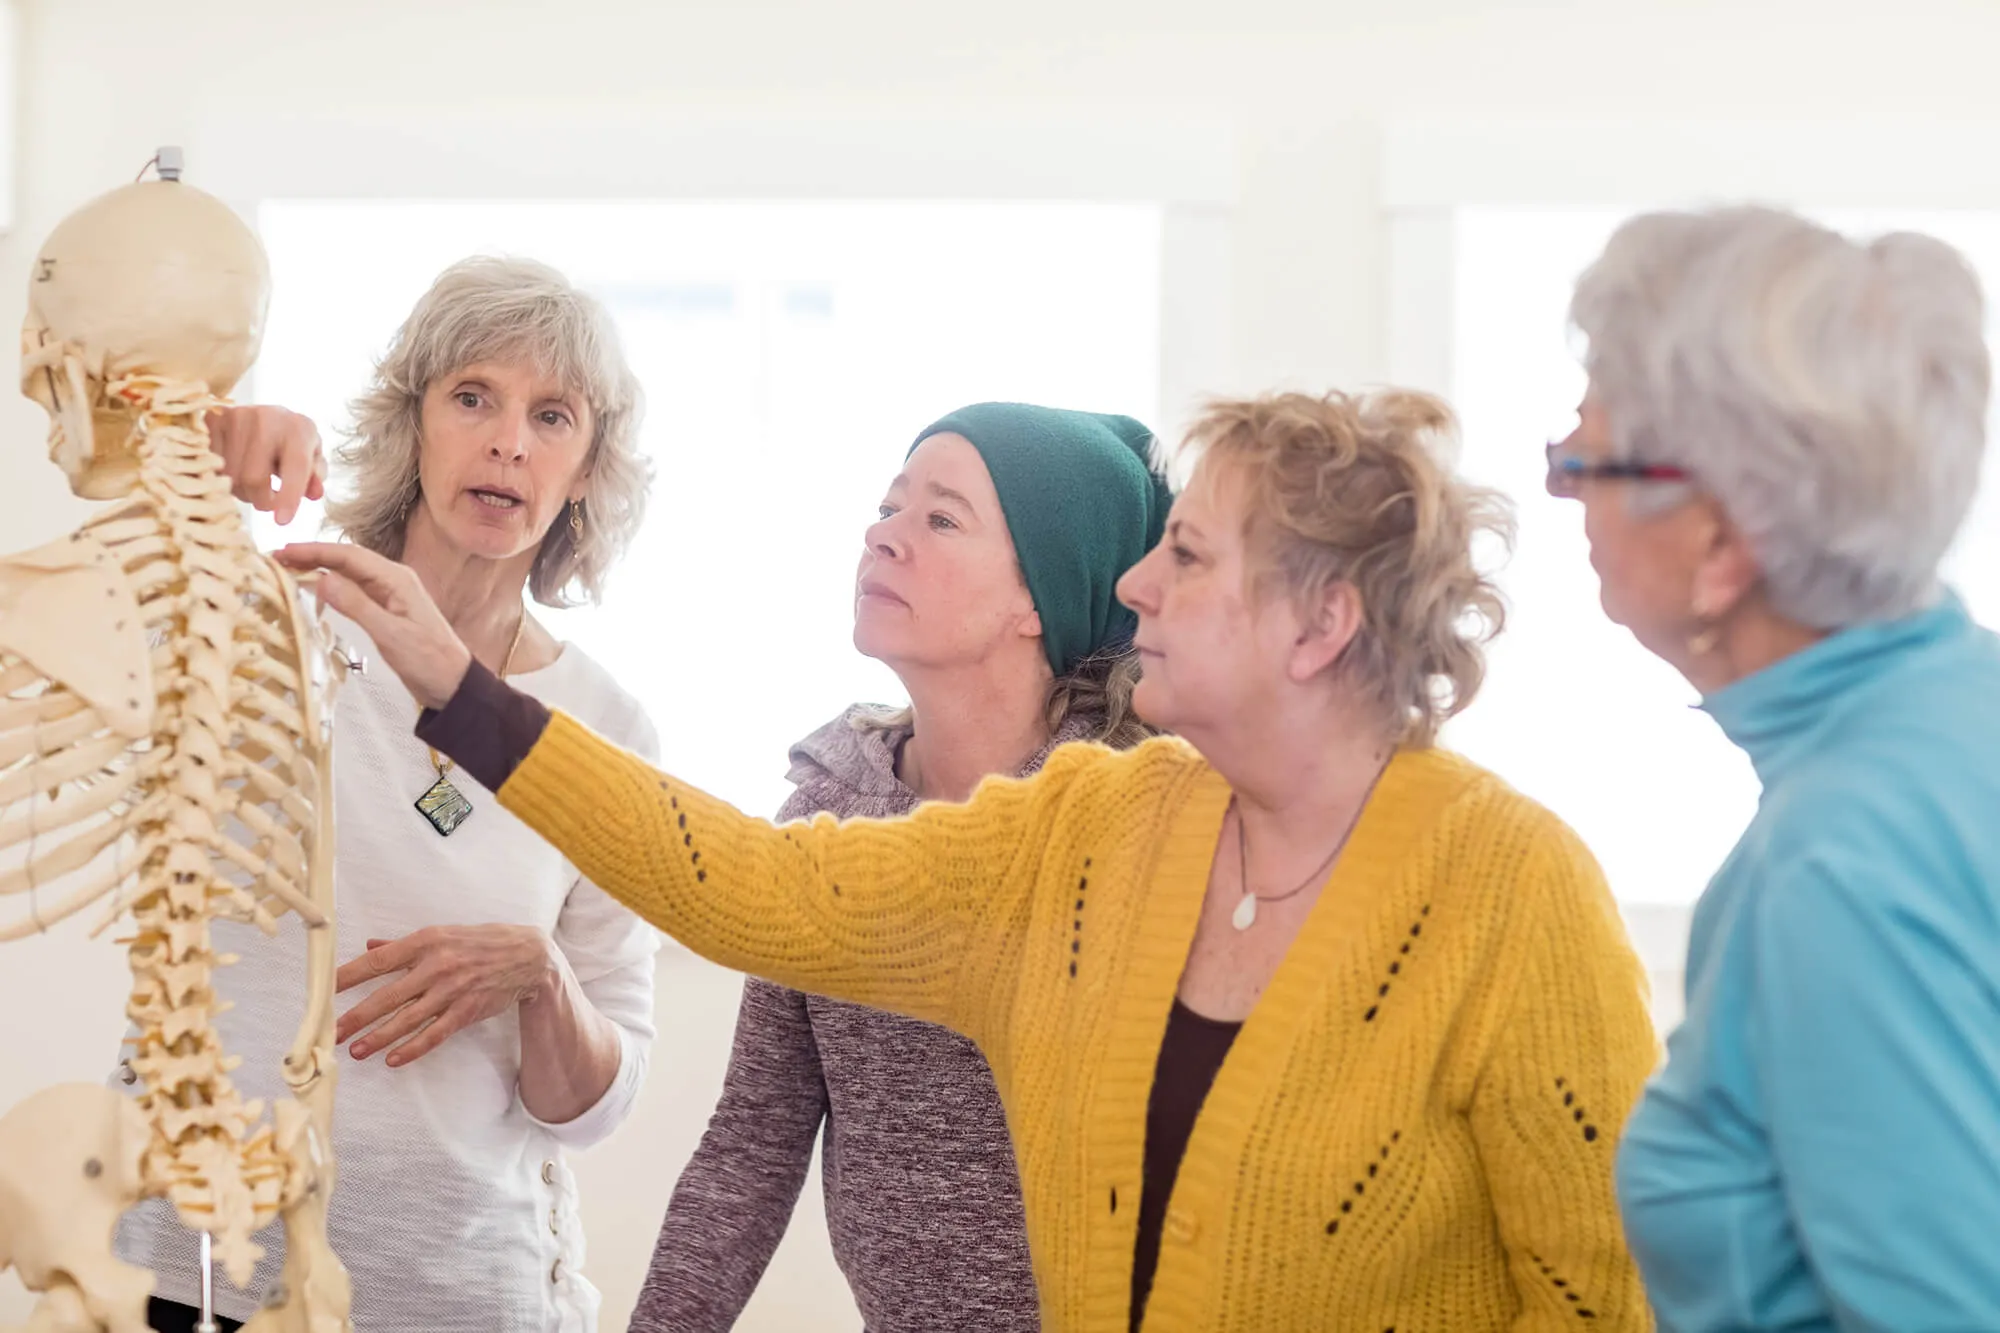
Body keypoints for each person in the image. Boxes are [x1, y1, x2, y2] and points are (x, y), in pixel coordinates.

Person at [281, 389, 1661, 1333]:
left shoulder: (1512, 888)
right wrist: (464, 691)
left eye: (1183, 555)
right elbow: (747, 888)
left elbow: (1609, 1292)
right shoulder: (1087, 832)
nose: (1135, 586)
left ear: (1320, 624)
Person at [131, 256, 663, 1333]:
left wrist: (541, 975)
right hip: (203, 1274)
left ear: (585, 466)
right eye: (473, 397)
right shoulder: (265, 620)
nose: (508, 440)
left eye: (550, 415)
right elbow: (107, 614)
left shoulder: (609, 731)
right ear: (410, 422)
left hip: (465, 1294)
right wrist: (190, 451)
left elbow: (593, 1104)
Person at [1554, 206, 2000, 1331]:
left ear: (1720, 546)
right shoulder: (1957, 716)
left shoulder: (1843, 857)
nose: (1566, 497)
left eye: (1583, 462)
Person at [630, 404, 1167, 1332]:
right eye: (889, 506)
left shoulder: (1129, 822)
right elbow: (756, 1137)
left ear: (1038, 594)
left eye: (941, 517)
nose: (884, 534)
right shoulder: (828, 814)